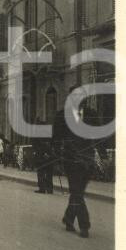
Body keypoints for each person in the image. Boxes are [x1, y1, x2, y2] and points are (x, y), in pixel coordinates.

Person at [53, 86, 97, 238]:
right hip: (71, 160)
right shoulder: (62, 116)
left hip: (88, 160)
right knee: (77, 192)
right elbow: (56, 139)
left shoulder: (91, 114)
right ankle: (84, 225)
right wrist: (57, 159)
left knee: (77, 192)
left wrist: (101, 154)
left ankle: (68, 218)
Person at [32, 118, 54, 194]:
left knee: (41, 172)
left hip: (41, 156)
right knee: (49, 172)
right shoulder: (49, 134)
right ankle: (50, 189)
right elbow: (52, 144)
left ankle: (42, 188)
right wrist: (49, 153)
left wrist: (43, 153)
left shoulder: (37, 134)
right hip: (49, 156)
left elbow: (36, 146)